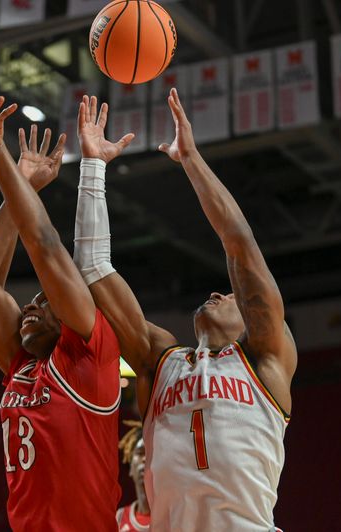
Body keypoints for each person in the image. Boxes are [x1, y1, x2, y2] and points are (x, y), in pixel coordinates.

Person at [73, 89, 296, 531]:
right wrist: (93, 166)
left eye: (231, 296)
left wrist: (191, 160)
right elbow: (94, 270)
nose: (219, 292)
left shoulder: (264, 360)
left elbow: (240, 246)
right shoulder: (161, 362)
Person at [0, 97, 128, 530]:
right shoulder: (21, 365)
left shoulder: (90, 353)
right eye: (30, 303)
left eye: (43, 303)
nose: (30, 305)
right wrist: (22, 188)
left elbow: (45, 245)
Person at [116, 421, 150, 531]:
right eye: (140, 453)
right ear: (131, 468)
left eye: (150, 454)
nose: (145, 459)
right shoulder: (119, 518)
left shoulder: (171, 516)